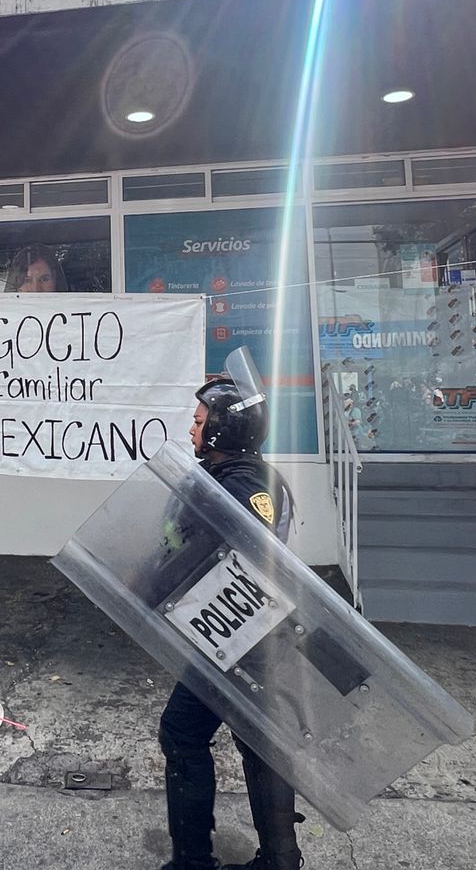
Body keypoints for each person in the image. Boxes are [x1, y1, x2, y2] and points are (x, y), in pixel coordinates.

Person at [160, 372, 300, 870]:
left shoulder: (244, 484)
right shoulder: (237, 475)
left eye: (199, 421)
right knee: (257, 741)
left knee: (182, 732)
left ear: (222, 429)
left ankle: (194, 861)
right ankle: (280, 859)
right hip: (236, 631)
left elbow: (238, 548)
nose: (191, 429)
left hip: (237, 635)